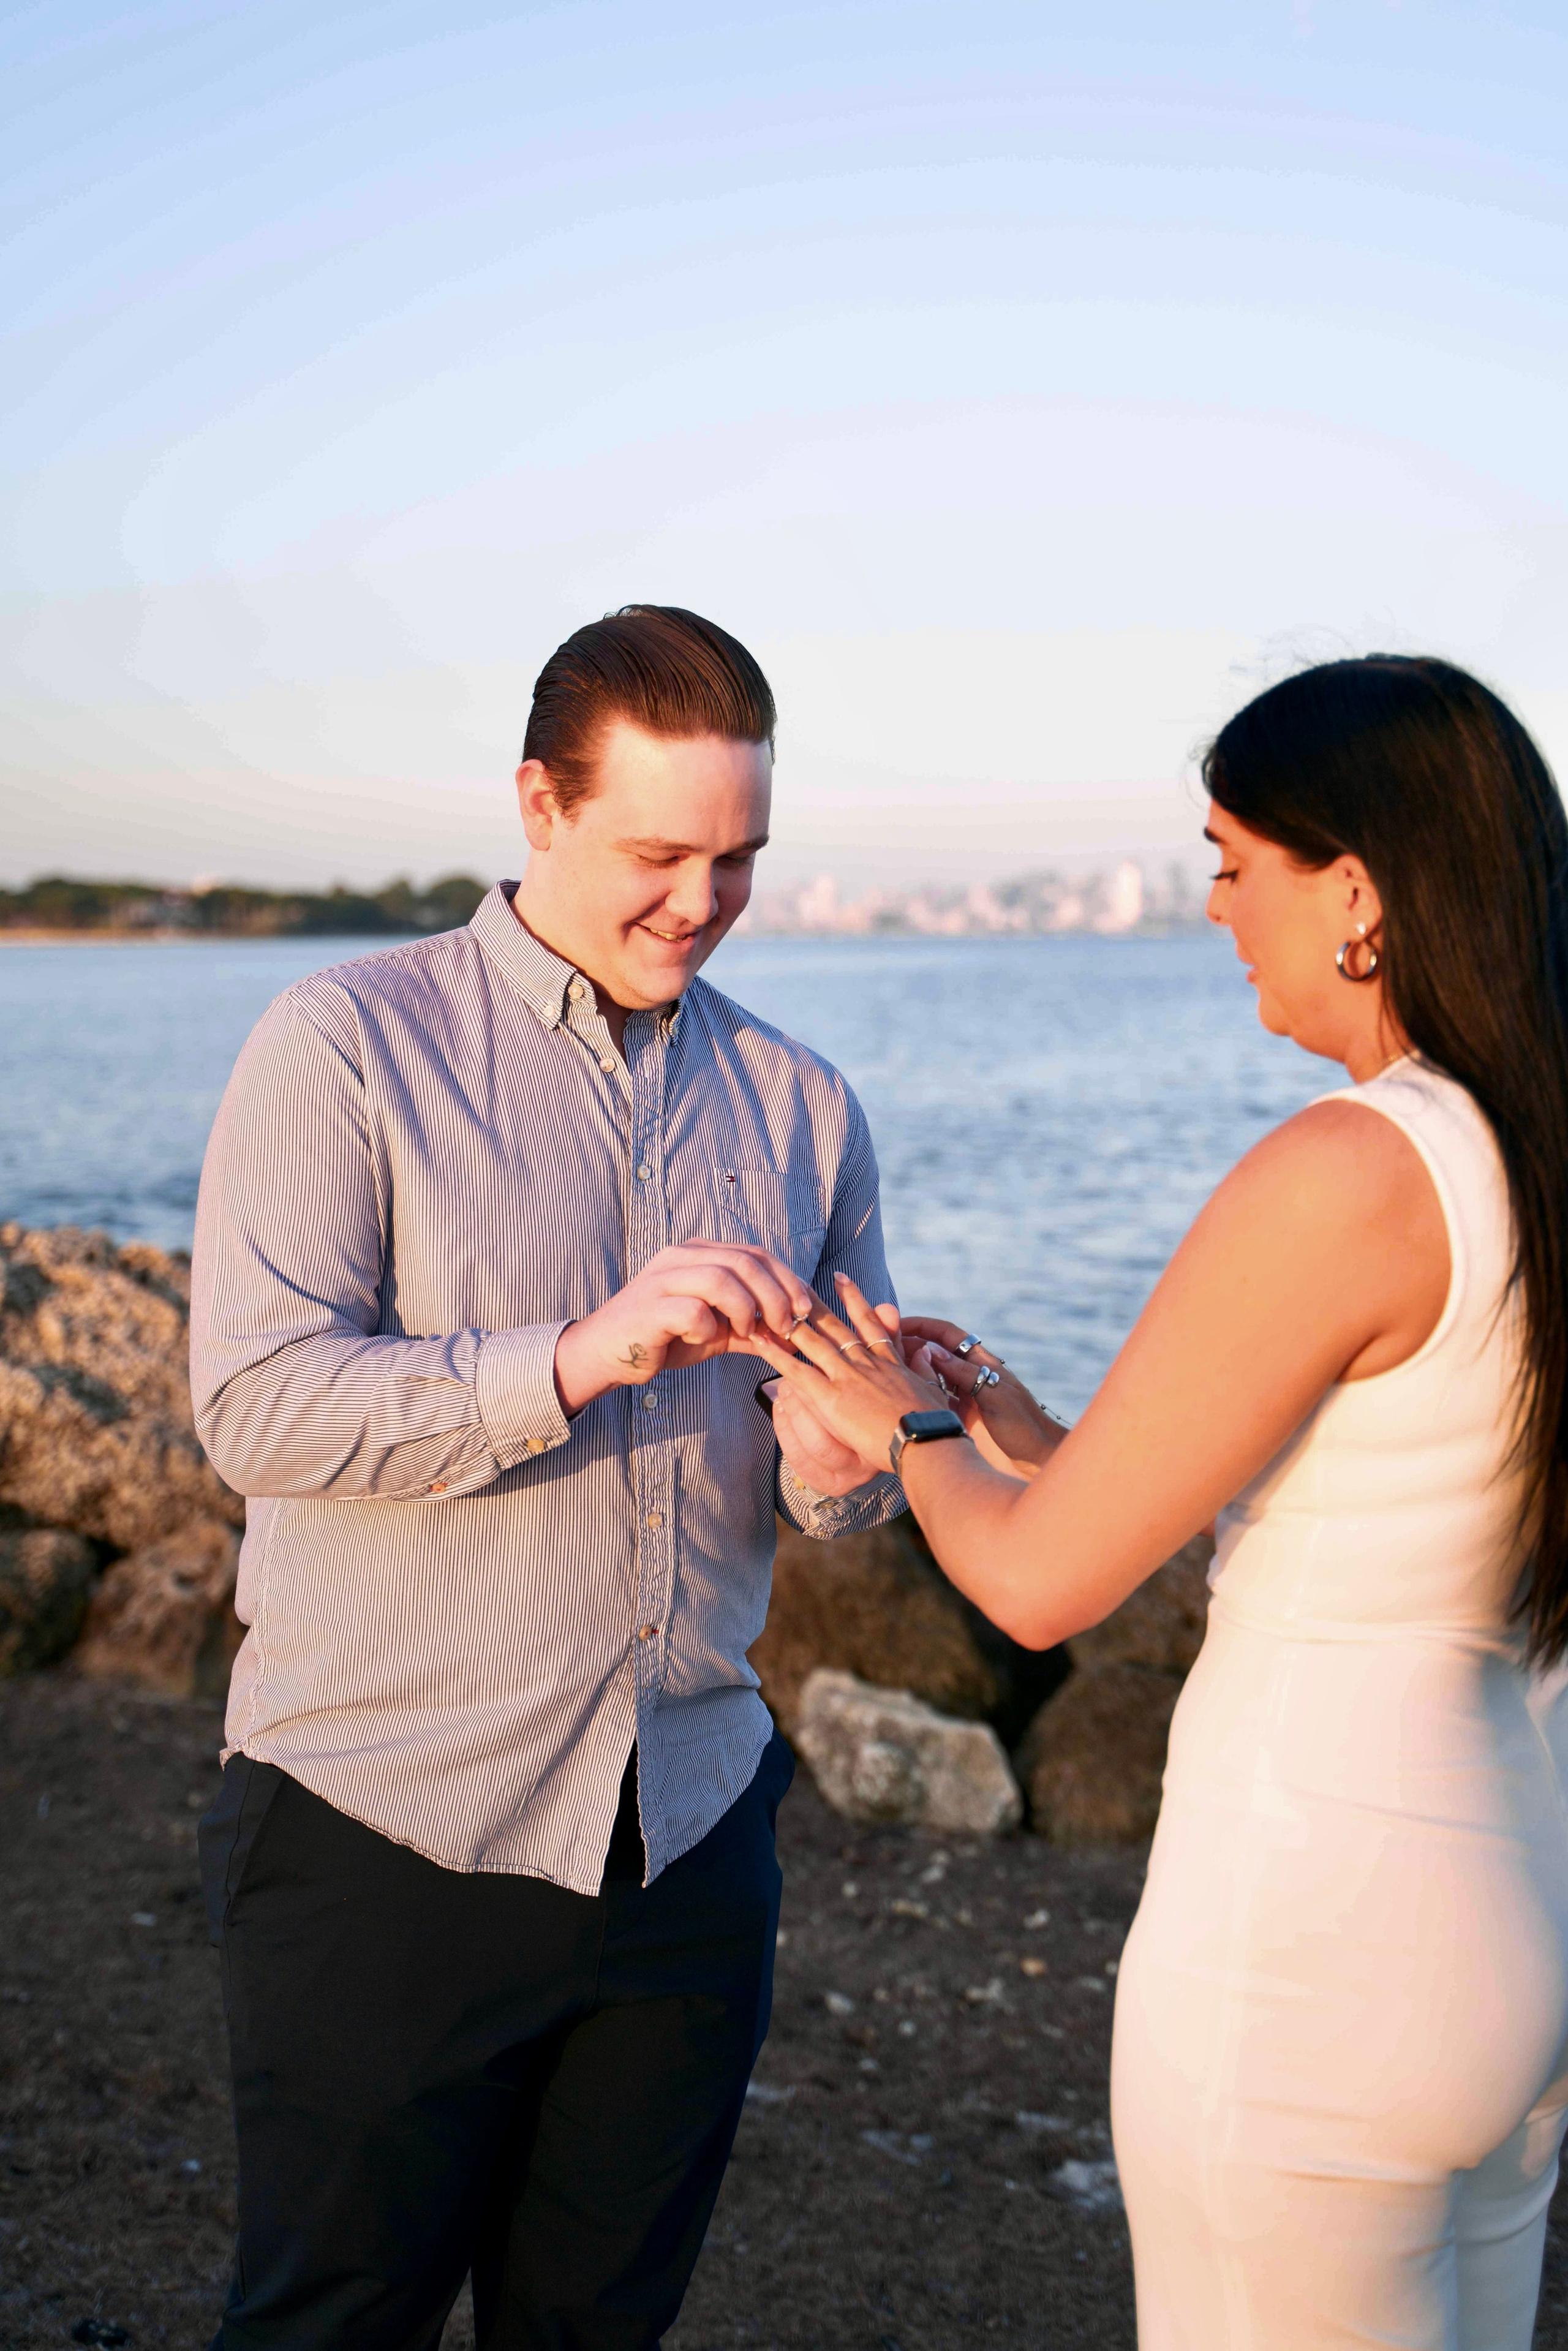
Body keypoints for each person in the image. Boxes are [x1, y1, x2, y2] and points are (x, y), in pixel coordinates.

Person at [750, 655, 1568, 2349]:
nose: (1214, 910)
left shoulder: (1353, 1167)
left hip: (1315, 1948)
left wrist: (909, 1431)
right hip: (1511, 1927)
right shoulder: (1534, 1156)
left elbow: (1038, 1589)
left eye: (1232, 861)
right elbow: (1348, 1521)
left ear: (1356, 892)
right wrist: (1018, 1427)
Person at [189, 604, 903, 2351]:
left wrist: (839, 1463)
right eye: (657, 853)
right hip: (385, 1827)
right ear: (538, 806)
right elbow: (255, 1410)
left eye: (738, 858)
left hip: (695, 1836)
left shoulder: (805, 1106)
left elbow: (832, 1493)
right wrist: (575, 1356)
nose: (700, 901)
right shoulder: (343, 1042)